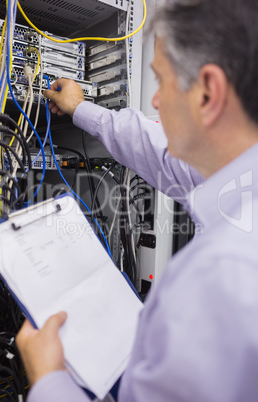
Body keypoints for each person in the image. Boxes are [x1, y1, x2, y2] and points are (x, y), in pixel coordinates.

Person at [16, 0, 258, 400]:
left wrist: (49, 377)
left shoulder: (221, 273)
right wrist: (81, 109)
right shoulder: (236, 179)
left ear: (208, 92)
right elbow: (160, 154)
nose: (156, 101)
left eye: (161, 82)